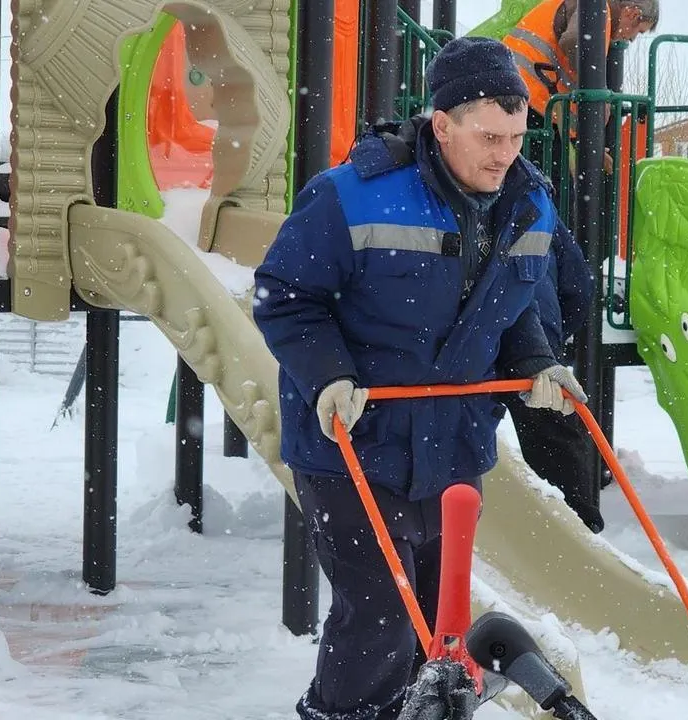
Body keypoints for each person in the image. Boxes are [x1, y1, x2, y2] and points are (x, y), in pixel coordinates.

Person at [252, 36, 587, 720]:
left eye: (517, 137)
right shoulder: (354, 195)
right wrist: (329, 377)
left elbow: (512, 304)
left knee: (435, 623)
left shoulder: (529, 206)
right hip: (354, 442)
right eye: (490, 137)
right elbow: (285, 295)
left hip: (453, 446)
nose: (505, 154)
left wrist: (534, 364)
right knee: (377, 612)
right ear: (443, 124)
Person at [502, 215, 603, 531]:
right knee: (553, 426)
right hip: (537, 339)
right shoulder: (534, 202)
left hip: (460, 348)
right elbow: (578, 287)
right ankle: (578, 530)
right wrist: (551, 334)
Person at [504, 0, 660, 190]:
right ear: (632, 14)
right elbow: (573, 40)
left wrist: (590, 139)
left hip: (523, 98)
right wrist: (597, 90)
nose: (631, 39)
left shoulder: (595, 11)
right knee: (550, 188)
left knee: (547, 185)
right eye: (639, 32)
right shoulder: (596, 9)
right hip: (529, 102)